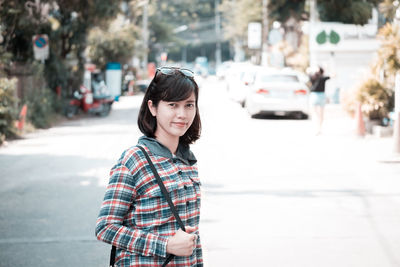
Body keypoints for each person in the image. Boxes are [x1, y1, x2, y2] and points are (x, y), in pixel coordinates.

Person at [95, 66, 203, 266]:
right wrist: (165, 245)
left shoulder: (187, 160)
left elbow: (190, 239)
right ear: (153, 107)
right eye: (172, 105)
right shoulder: (134, 160)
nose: (182, 114)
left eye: (189, 105)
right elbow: (105, 227)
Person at [309, 67, 330, 135]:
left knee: (315, 113)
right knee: (320, 114)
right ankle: (319, 128)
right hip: (321, 95)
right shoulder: (322, 77)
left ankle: (317, 129)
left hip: (315, 95)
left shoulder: (312, 77)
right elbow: (333, 75)